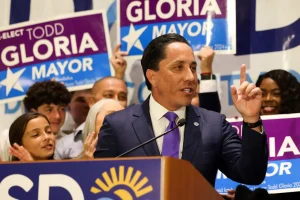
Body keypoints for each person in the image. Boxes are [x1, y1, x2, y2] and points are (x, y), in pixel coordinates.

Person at [94, 33, 268, 187]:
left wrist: (252, 119)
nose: (191, 77)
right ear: (152, 77)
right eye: (178, 67)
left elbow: (251, 175)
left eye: (193, 68)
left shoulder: (214, 124)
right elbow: (100, 185)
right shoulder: (117, 126)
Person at [7, 112, 97, 161]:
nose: (47, 137)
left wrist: (88, 162)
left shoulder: (66, 167)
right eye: (36, 135)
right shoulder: (6, 176)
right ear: (18, 144)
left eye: (49, 131)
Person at [54, 99, 124, 159]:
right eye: (112, 115)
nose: (118, 121)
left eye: (123, 118)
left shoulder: (132, 155)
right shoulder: (72, 160)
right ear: (93, 118)